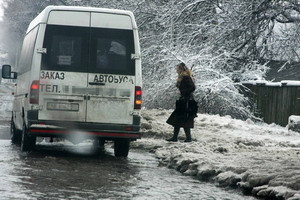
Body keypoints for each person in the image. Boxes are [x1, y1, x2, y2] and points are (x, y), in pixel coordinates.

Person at [166, 62, 196, 142]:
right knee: (178, 119)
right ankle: (176, 137)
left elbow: (192, 87)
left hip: (186, 101)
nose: (176, 70)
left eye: (177, 68)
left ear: (181, 69)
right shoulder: (182, 77)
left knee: (183, 119)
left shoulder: (186, 77)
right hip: (184, 100)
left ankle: (187, 138)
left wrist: (184, 93)